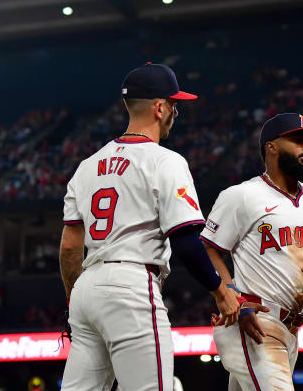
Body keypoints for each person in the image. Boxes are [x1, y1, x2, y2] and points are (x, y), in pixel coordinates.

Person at [59, 63, 242, 391]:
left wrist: (77, 298)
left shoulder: (86, 166)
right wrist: (220, 291)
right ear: (159, 108)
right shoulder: (165, 161)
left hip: (86, 288)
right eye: (174, 104)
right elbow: (186, 242)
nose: (175, 112)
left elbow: (70, 246)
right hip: (131, 285)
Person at [200, 113, 303, 391]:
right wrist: (231, 296)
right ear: (271, 147)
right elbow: (208, 249)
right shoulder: (241, 196)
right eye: (298, 140)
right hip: (254, 320)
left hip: (292, 328)